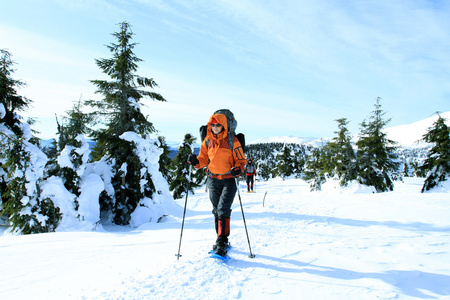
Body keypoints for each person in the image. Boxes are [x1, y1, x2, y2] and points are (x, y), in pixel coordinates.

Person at [188, 113, 246, 256]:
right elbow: (203, 159)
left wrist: (238, 169)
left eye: (218, 125)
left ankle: (222, 240)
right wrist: (196, 162)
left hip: (229, 180)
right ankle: (221, 238)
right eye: (212, 125)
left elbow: (241, 160)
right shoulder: (207, 141)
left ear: (224, 126)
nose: (215, 127)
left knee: (223, 208)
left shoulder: (232, 141)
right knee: (216, 210)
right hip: (213, 179)